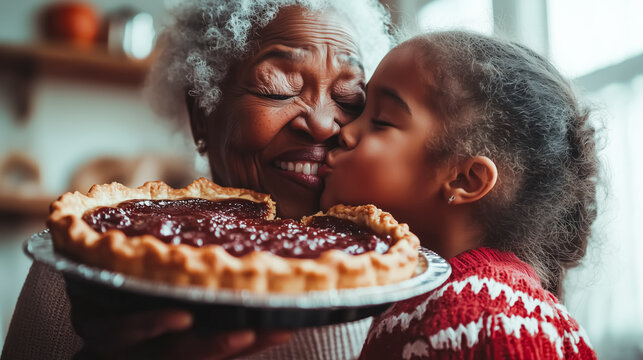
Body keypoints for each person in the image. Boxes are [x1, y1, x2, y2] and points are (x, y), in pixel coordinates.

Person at [1, 1, 393, 359]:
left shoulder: (393, 273)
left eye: (348, 99)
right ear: (201, 115)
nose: (324, 124)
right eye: (279, 88)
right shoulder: (88, 262)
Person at [319, 31, 599, 359]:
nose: (344, 131)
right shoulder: (422, 298)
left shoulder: (491, 314)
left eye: (380, 121)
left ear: (465, 180)